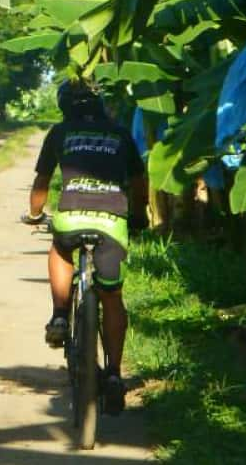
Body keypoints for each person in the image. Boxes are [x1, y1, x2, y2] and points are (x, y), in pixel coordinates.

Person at [21, 80, 147, 414]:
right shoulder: (120, 134)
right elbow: (138, 180)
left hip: (71, 217)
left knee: (61, 249)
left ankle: (60, 316)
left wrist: (35, 214)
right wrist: (138, 216)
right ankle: (116, 375)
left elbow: (42, 181)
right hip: (112, 223)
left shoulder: (60, 133)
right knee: (112, 297)